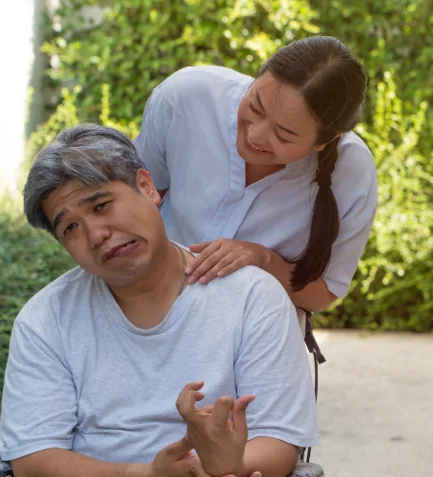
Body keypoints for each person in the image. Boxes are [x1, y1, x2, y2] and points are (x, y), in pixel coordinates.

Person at [0, 125, 318, 477]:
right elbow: (34, 471)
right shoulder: (45, 319)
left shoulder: (251, 296)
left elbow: (278, 448)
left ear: (148, 188)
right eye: (70, 227)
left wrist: (221, 464)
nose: (97, 234)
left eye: (101, 205)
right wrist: (152, 476)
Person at [134, 35, 378, 314]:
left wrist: (262, 260)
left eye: (283, 135)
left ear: (325, 140)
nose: (254, 135)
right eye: (255, 106)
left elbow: (322, 295)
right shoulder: (187, 97)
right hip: (146, 311)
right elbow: (134, 204)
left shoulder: (352, 171)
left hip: (255, 338)